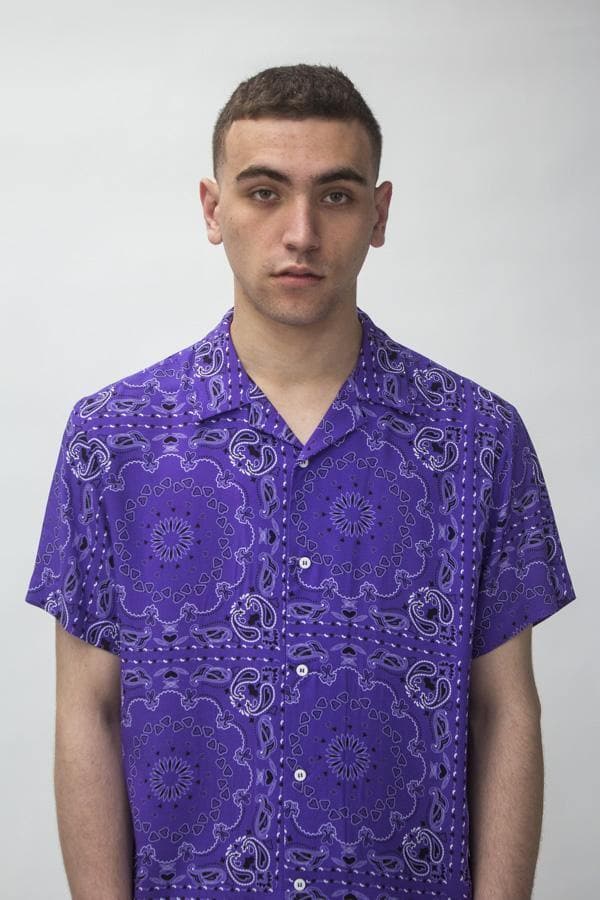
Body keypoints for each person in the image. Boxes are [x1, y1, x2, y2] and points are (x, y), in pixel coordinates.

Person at [25, 63, 576, 900]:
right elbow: (86, 713)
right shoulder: (113, 440)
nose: (302, 233)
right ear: (213, 209)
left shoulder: (478, 441)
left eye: (337, 196)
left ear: (379, 214)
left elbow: (507, 712)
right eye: (264, 192)